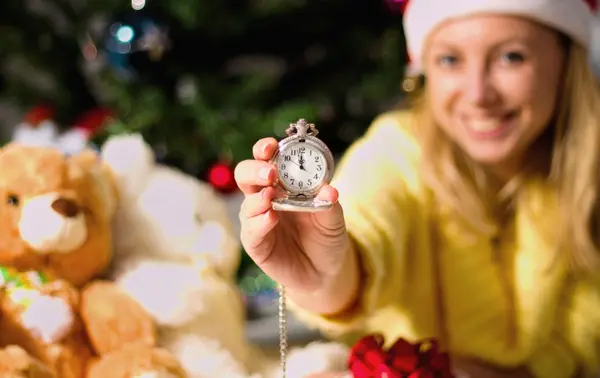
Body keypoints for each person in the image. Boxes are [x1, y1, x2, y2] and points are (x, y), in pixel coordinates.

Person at [234, 0, 600, 377]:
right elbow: (368, 225)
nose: (478, 94)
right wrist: (323, 274)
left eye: (511, 56)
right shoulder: (397, 152)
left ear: (567, 61)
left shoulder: (591, 172)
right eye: (449, 60)